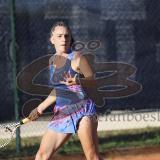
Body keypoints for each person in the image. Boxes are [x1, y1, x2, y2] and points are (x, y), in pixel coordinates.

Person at [28, 21, 102, 160]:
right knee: (41, 156)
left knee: (92, 157)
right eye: (60, 36)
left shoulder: (78, 58)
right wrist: (40, 108)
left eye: (67, 36)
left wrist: (77, 81)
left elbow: (93, 80)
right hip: (62, 113)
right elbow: (59, 89)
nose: (64, 39)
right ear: (52, 39)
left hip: (83, 112)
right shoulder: (52, 60)